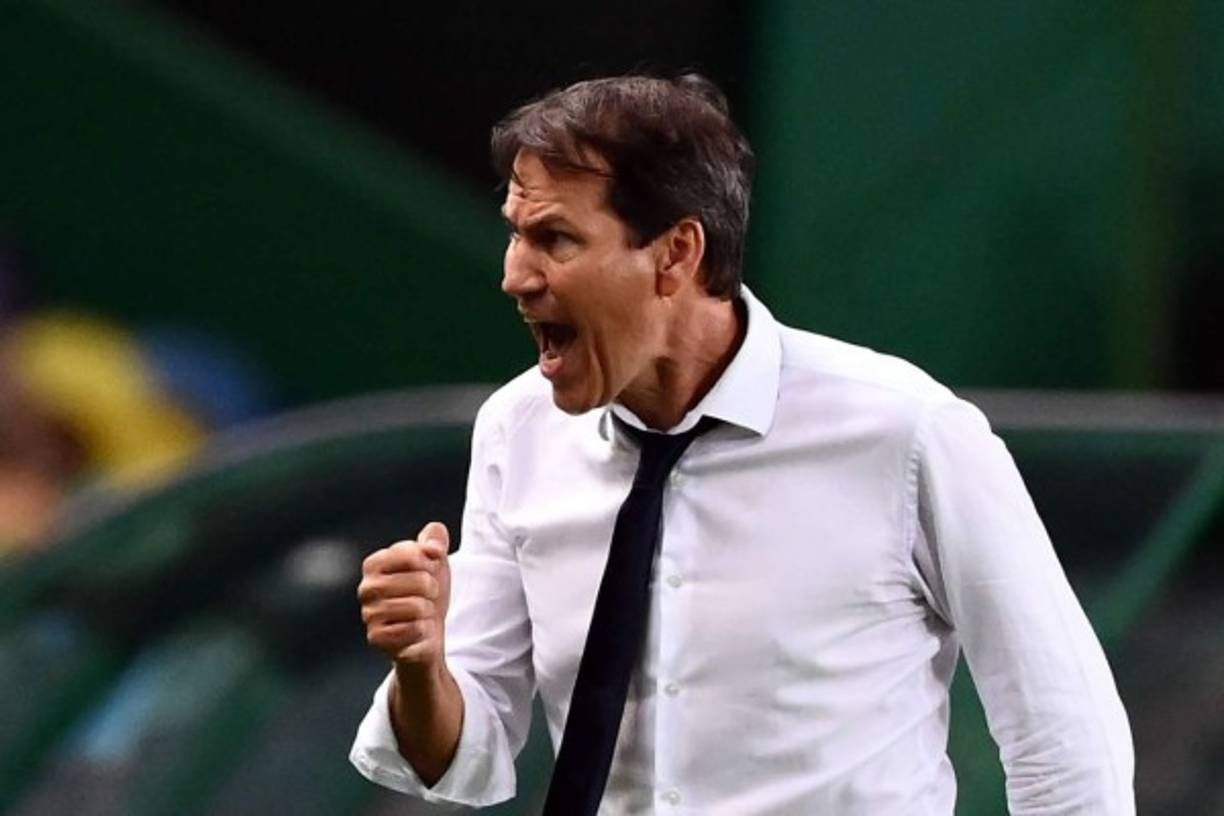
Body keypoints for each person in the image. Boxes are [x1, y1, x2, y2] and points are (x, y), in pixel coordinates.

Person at [350, 74, 1134, 814]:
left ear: (676, 255)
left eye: (555, 238)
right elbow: (462, 757)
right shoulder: (516, 431)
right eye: (516, 234)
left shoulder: (906, 430)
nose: (515, 275)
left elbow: (1064, 733)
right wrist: (422, 665)